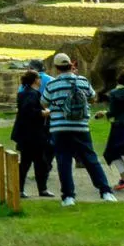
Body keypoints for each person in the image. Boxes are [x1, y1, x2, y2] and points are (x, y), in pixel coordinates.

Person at [43, 54, 115, 205]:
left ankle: (69, 196)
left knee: (64, 161)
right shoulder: (82, 81)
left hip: (60, 128)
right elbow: (93, 97)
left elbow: (44, 102)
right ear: (70, 65)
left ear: (57, 68)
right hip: (81, 127)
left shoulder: (52, 84)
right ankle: (106, 191)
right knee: (91, 159)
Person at [11, 70, 54, 198]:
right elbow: (28, 111)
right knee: (39, 162)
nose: (40, 80)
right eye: (39, 78)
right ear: (35, 80)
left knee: (27, 162)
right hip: (34, 135)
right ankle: (41, 189)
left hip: (26, 134)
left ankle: (22, 189)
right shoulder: (33, 94)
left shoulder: (23, 93)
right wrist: (43, 113)